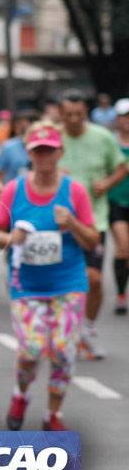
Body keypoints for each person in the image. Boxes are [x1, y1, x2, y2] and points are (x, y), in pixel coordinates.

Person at [0, 122, 98, 431]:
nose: (45, 157)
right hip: (27, 286)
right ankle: (20, 393)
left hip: (68, 284)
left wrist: (72, 223)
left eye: (50, 150)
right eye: (39, 151)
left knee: (62, 351)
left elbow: (93, 241)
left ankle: (53, 415)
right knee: (31, 350)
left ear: (60, 152)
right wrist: (12, 238)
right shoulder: (14, 190)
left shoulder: (73, 191)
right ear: (29, 154)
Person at [56, 89, 129, 358]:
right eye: (68, 114)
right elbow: (33, 169)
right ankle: (62, 330)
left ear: (87, 113)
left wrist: (107, 183)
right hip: (56, 223)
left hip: (92, 220)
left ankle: (88, 328)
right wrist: (54, 173)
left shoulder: (102, 138)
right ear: (61, 114)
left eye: (78, 114)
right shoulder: (52, 139)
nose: (74, 119)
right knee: (61, 282)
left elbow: (122, 166)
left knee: (94, 279)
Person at [108, 98, 129, 315]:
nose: (127, 121)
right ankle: (121, 294)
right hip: (115, 201)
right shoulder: (110, 142)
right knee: (123, 246)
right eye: (124, 116)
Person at [0, 108, 40, 188]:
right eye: (18, 125)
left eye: (24, 126)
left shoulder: (45, 148)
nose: (19, 128)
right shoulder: (8, 146)